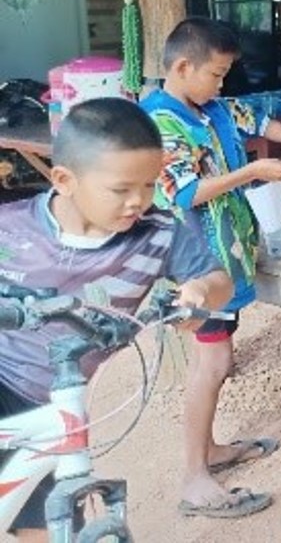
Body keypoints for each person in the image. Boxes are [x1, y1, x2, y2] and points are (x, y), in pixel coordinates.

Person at [0, 99, 238, 540]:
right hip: (4, 377)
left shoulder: (159, 233)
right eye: (121, 189)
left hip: (57, 400)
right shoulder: (10, 228)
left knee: (49, 526)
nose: (137, 201)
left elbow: (216, 278)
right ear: (64, 180)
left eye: (148, 186)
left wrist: (200, 291)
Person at [141, 17, 281, 518]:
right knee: (210, 364)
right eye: (216, 75)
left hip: (226, 254)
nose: (222, 84)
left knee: (215, 359)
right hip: (196, 261)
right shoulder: (160, 121)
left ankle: (210, 450)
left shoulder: (211, 106)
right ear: (182, 67)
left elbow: (258, 119)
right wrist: (254, 171)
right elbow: (186, 192)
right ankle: (194, 476)